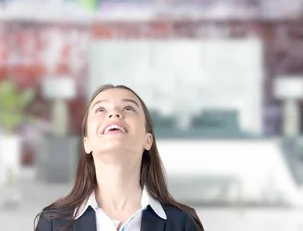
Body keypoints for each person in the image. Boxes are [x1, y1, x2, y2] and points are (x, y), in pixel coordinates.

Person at [34, 84, 204, 231]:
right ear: (87, 143)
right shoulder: (52, 223)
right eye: (101, 109)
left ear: (147, 140)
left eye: (128, 108)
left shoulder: (183, 223)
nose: (114, 113)